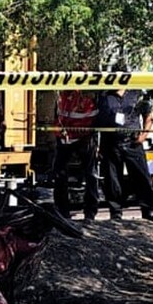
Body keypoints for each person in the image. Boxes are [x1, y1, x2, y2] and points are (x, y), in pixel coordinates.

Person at [98, 88, 153, 220]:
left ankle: (148, 209)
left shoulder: (136, 94)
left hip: (133, 142)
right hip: (110, 142)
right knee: (112, 179)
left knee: (142, 176)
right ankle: (115, 212)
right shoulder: (103, 95)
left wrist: (144, 135)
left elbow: (148, 115)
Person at [51, 88, 100, 220]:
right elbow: (58, 117)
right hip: (66, 138)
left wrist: (94, 140)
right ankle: (62, 211)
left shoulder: (90, 96)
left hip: (85, 138)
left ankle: (90, 213)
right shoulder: (62, 95)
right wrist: (60, 133)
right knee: (59, 173)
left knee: (90, 174)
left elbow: (95, 119)